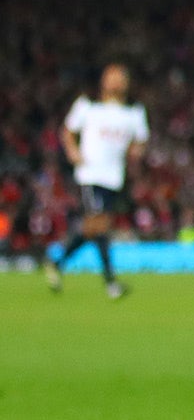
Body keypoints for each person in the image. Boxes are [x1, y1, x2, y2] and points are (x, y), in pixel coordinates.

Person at [48, 63, 148, 300]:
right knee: (100, 225)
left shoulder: (134, 112)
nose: (116, 81)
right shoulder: (88, 106)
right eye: (112, 76)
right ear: (103, 80)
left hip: (114, 178)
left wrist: (136, 151)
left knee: (95, 227)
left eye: (121, 77)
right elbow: (67, 131)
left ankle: (58, 262)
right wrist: (72, 151)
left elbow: (141, 141)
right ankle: (110, 283)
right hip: (91, 174)